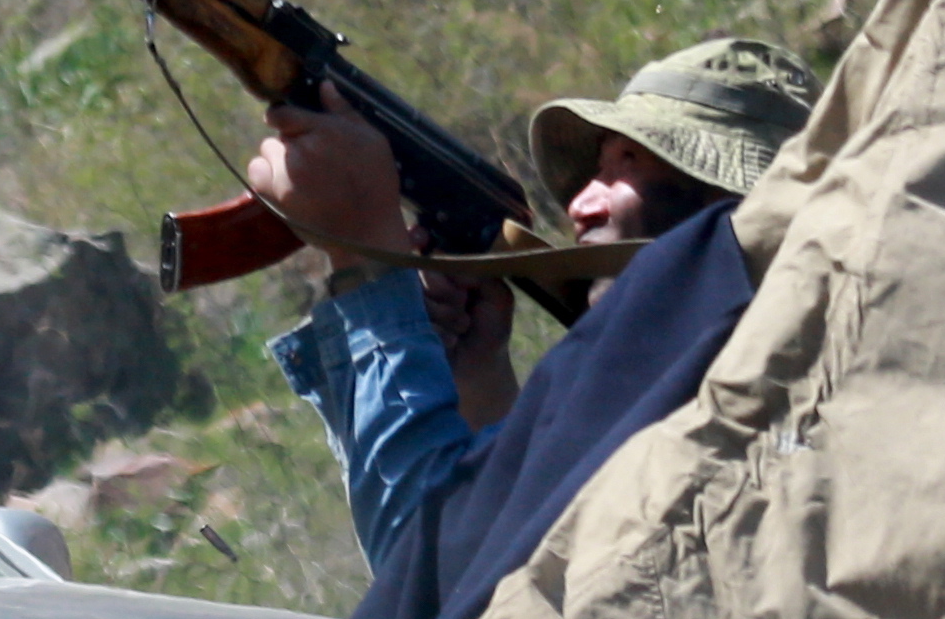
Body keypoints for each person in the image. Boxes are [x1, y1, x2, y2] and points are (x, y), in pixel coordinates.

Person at [243, 37, 816, 573]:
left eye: (628, 165)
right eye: (595, 170)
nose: (580, 205)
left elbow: (429, 571)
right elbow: (527, 564)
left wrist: (367, 261)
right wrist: (480, 375)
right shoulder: (749, 386)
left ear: (732, 207)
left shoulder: (709, 403)